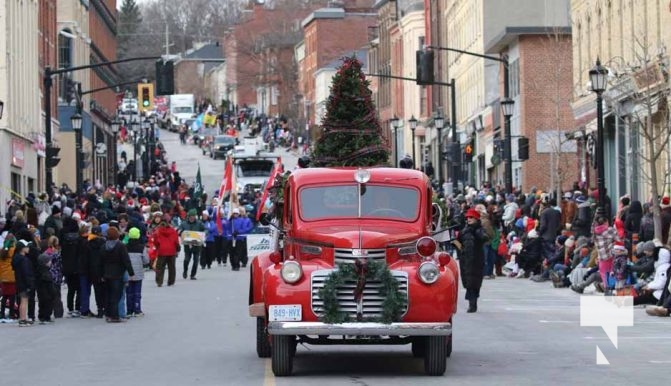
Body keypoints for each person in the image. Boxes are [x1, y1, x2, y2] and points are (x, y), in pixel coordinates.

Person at [455, 208, 489, 313]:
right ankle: (472, 302)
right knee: (467, 282)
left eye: (471, 217)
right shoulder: (464, 231)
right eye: (467, 217)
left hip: (476, 260)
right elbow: (457, 242)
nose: (468, 219)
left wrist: (478, 232)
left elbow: (485, 238)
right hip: (465, 260)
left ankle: (473, 304)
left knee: (475, 283)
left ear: (476, 218)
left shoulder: (479, 229)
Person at [100, 227, 134, 323]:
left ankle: (108, 314)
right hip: (118, 273)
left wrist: (101, 274)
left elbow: (101, 262)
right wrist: (131, 273)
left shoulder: (103, 247)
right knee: (116, 296)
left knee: (108, 295)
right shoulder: (120, 246)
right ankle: (115, 316)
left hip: (106, 273)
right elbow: (126, 260)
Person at [126, 227, 149, 317]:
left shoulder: (125, 247)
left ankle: (129, 310)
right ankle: (137, 309)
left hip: (128, 273)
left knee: (128, 292)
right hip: (138, 273)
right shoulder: (141, 247)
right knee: (137, 292)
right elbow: (146, 260)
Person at [12, 240, 35, 327]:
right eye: (26, 247)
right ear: (22, 249)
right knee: (24, 301)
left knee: (22, 301)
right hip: (24, 283)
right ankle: (23, 319)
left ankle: (22, 318)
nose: (28, 248)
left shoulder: (16, 258)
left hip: (19, 282)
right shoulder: (24, 260)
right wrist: (30, 283)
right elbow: (26, 273)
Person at [178, 209, 205, 280]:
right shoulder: (184, 223)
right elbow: (179, 230)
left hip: (197, 245)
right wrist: (181, 232)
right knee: (186, 260)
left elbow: (205, 229)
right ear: (188, 216)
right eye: (191, 216)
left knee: (196, 261)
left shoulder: (199, 223)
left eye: (193, 216)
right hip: (187, 245)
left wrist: (204, 233)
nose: (192, 217)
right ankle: (185, 271)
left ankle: (193, 275)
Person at [154, 215, 180, 287]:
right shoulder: (173, 230)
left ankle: (159, 281)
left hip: (162, 250)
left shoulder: (158, 230)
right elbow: (176, 241)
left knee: (160, 267)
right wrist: (178, 249)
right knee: (171, 267)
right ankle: (171, 281)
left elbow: (155, 241)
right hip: (172, 251)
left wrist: (158, 247)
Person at [36, 253, 56, 324]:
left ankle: (42, 316)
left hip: (41, 292)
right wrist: (53, 292)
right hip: (47, 292)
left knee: (42, 304)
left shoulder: (40, 270)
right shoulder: (45, 272)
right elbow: (49, 283)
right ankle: (46, 317)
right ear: (45, 262)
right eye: (49, 261)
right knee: (47, 303)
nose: (50, 262)